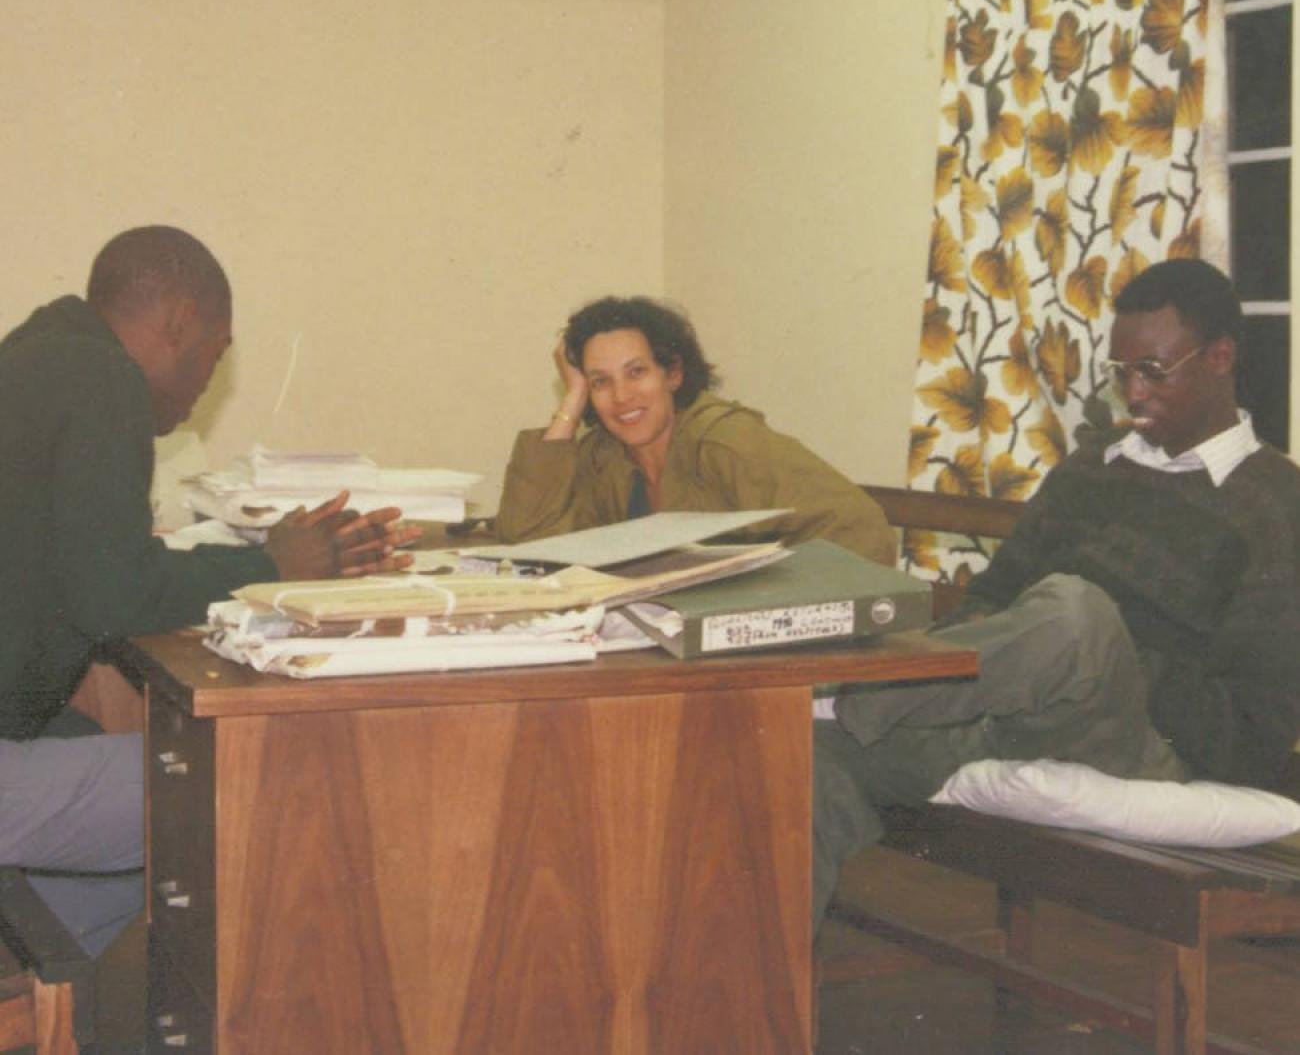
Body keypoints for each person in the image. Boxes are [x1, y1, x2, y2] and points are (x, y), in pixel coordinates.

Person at [813, 258, 1300, 928]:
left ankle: (853, 694)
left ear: (1219, 358)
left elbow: (1253, 733)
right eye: (1119, 372)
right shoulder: (1090, 469)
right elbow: (996, 594)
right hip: (1017, 710)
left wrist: (1117, 653)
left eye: (1152, 372)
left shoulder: (1277, 506)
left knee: (1077, 613)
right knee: (807, 764)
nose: (1133, 393)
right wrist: (1021, 656)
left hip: (1144, 740)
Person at [0, 225, 416, 955]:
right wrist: (273, 566)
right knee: (233, 788)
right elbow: (113, 597)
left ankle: (48, 982)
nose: (205, 385)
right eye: (213, 357)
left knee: (105, 752)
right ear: (178, 325)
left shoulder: (38, 352)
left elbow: (81, 562)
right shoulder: (102, 379)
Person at [495, 294, 895, 565]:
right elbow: (529, 538)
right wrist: (571, 401)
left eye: (636, 372)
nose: (621, 396)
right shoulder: (606, 455)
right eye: (600, 381)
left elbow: (861, 531)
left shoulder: (725, 441)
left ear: (672, 373)